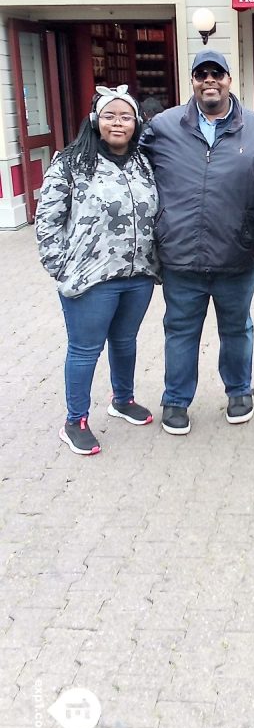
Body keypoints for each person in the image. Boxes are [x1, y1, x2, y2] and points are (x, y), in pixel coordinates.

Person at [139, 49, 254, 435]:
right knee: (181, 330)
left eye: (218, 73)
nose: (210, 80)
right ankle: (176, 400)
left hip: (238, 254)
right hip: (181, 256)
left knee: (237, 329)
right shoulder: (164, 126)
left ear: (230, 80)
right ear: (194, 81)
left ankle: (239, 391)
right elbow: (124, 157)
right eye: (202, 74)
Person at [35, 85, 160, 456]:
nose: (117, 123)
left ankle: (122, 399)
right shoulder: (71, 162)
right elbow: (47, 220)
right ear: (95, 121)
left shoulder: (144, 161)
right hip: (90, 279)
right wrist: (61, 266)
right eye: (109, 115)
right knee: (85, 349)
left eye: (125, 116)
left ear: (136, 123)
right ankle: (75, 420)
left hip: (137, 274)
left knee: (125, 342)